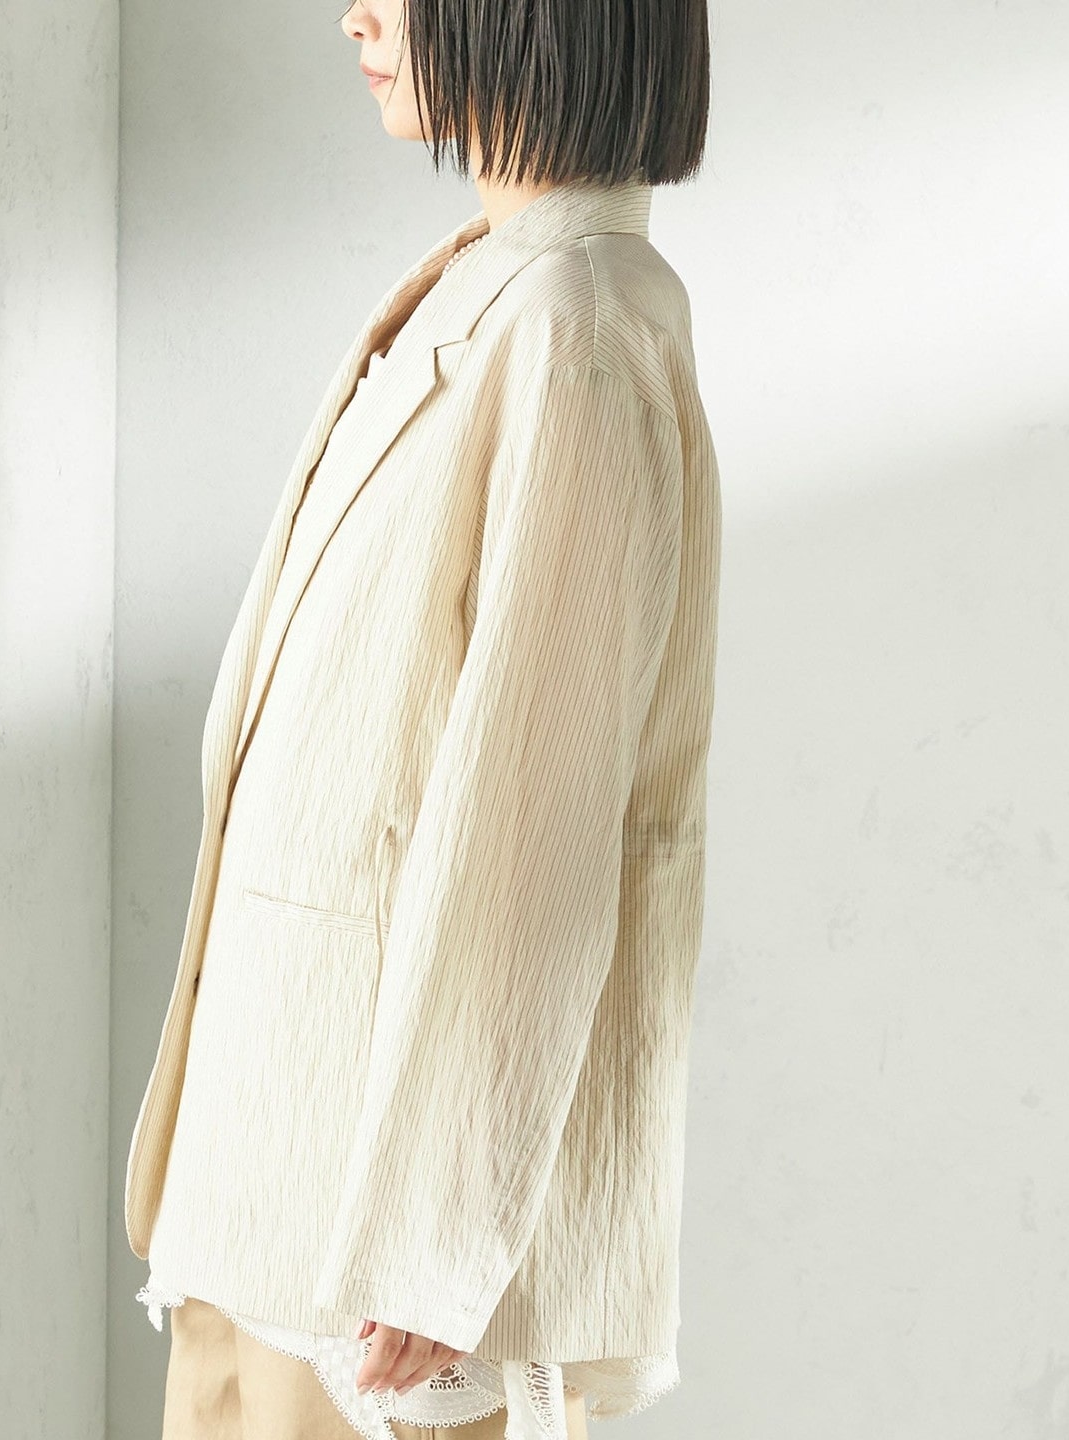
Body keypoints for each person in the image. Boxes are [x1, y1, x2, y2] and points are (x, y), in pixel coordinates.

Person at [124, 0, 720, 1436]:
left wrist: (438, 1234)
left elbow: (536, 814)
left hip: (368, 1246)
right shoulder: (496, 283)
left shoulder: (577, 321)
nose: (357, 13)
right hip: (279, 1169)